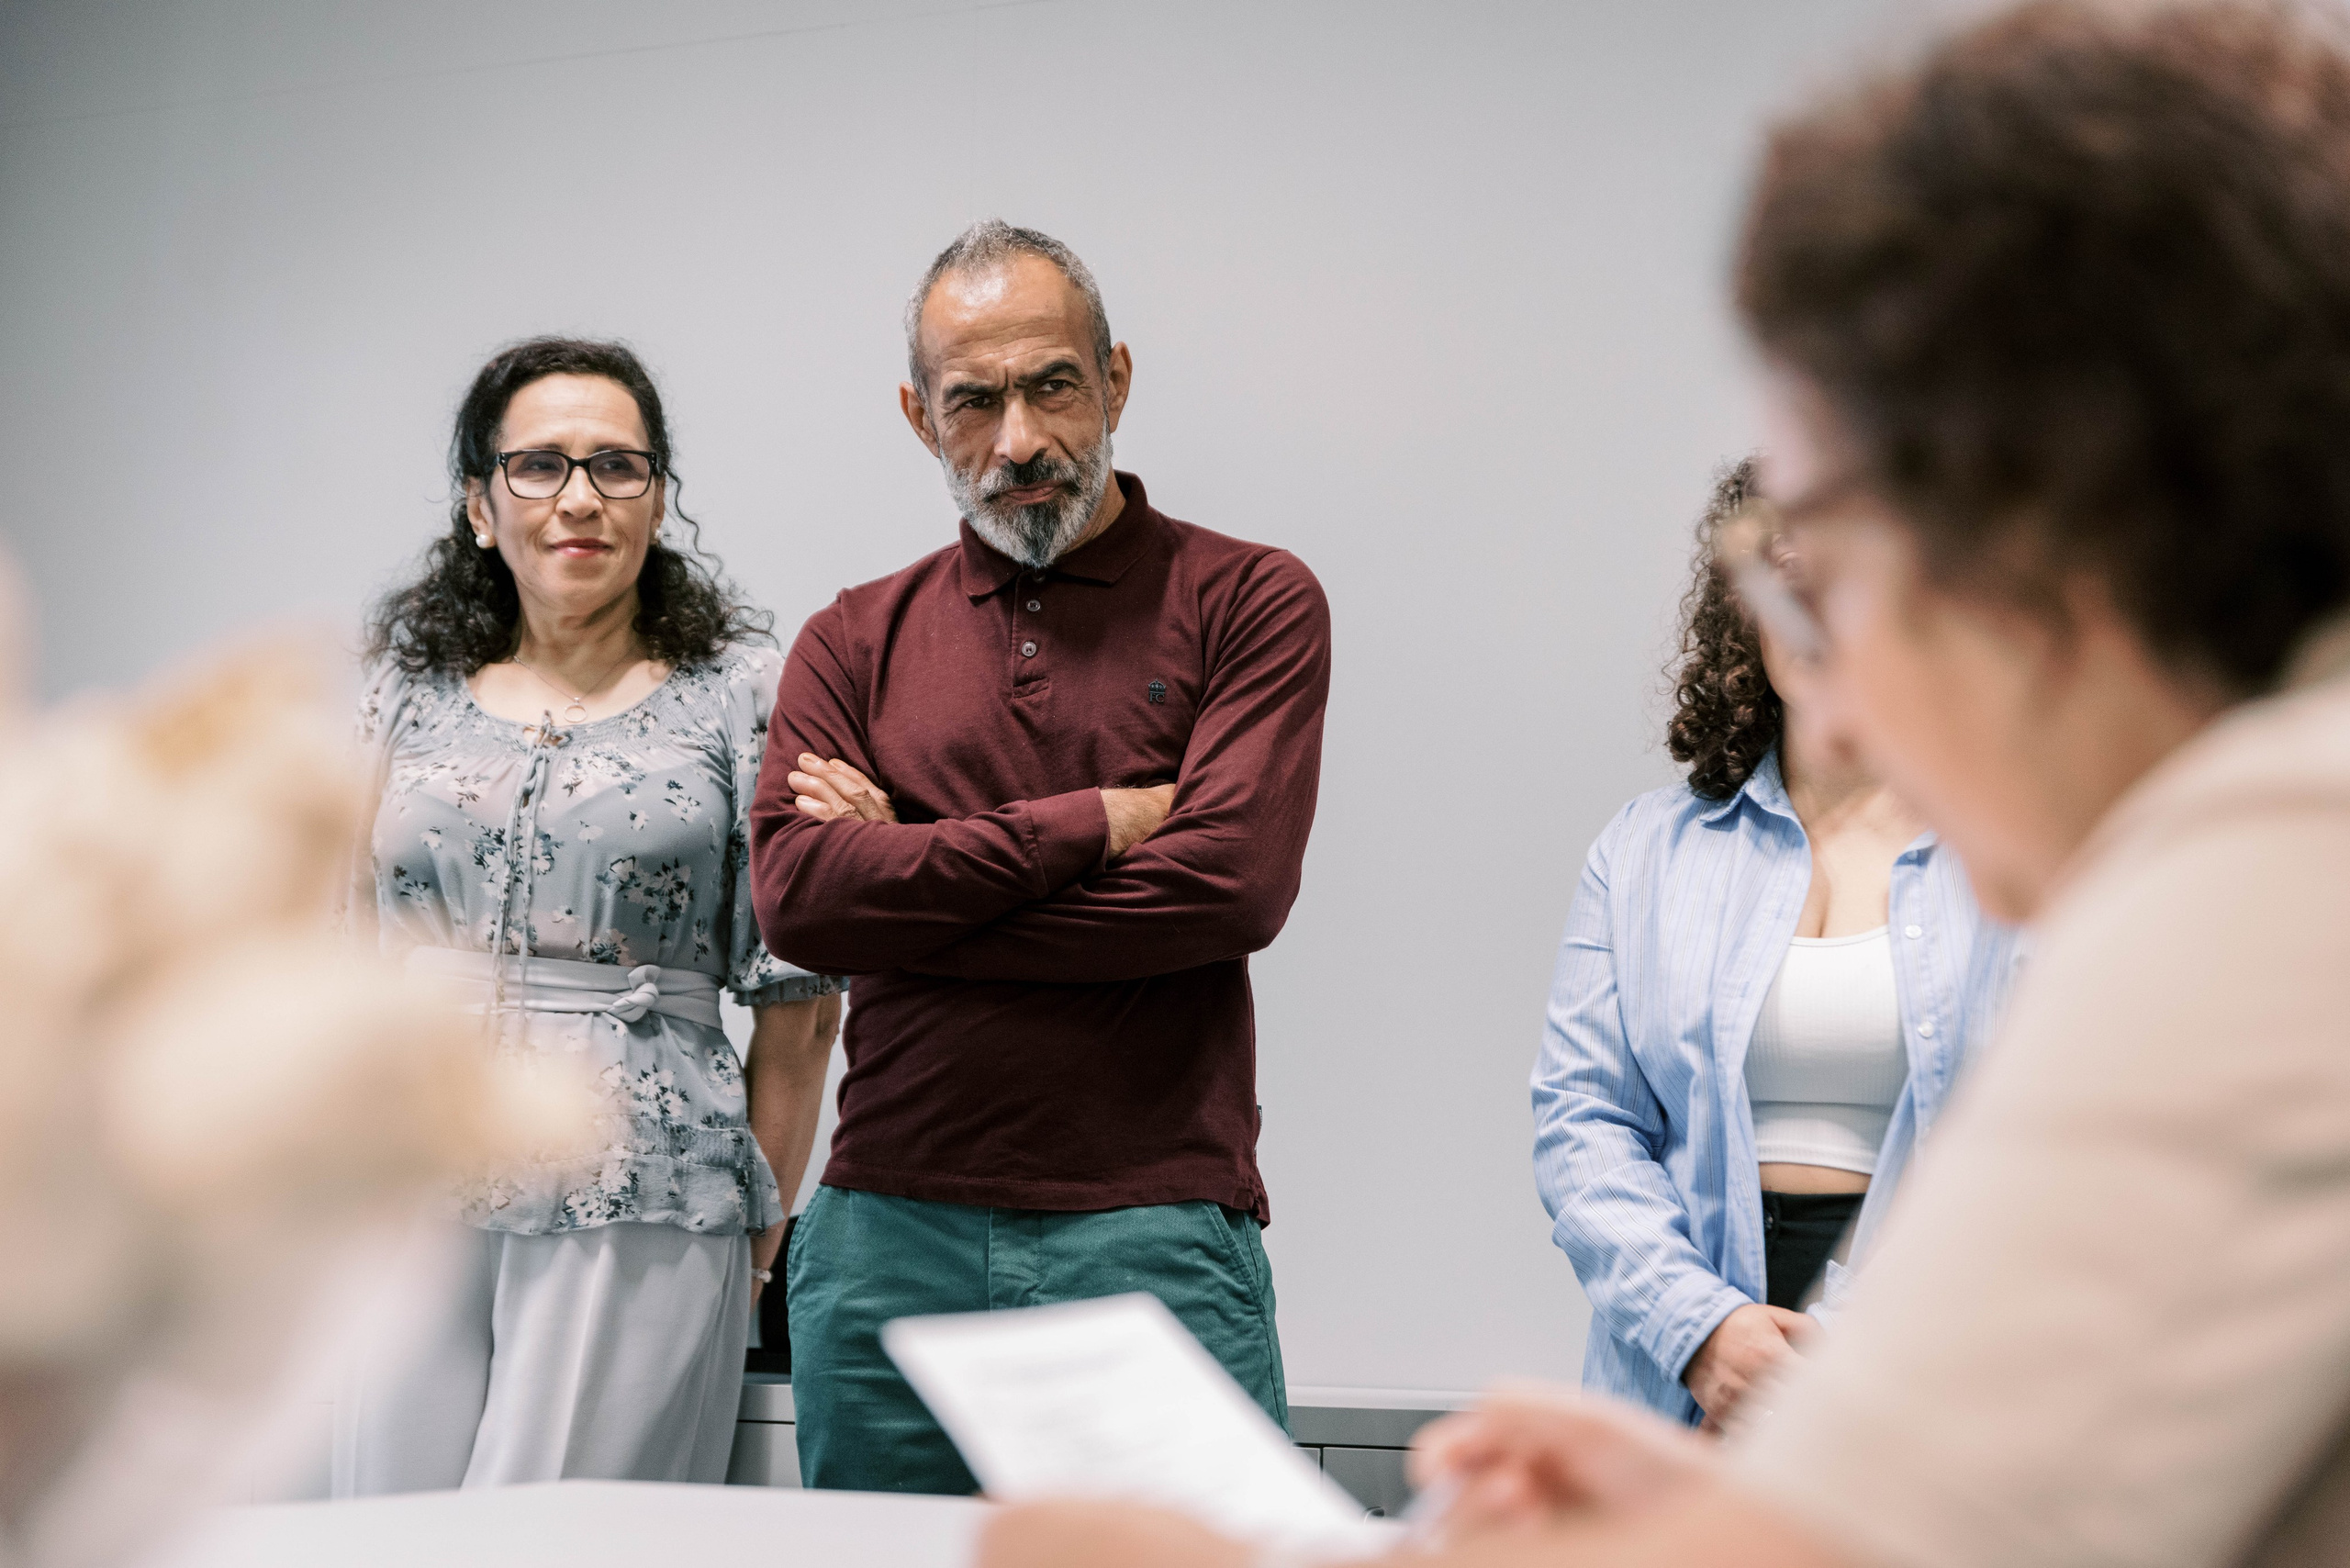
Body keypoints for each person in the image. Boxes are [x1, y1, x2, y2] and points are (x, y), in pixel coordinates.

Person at [974, 2, 2350, 1563]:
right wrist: (1725, 1492)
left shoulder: (2280, 873)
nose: (1834, 672)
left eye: (1823, 558)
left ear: (2035, 528)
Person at [747, 220, 1330, 1495]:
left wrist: (906, 874)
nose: (1018, 440)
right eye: (974, 401)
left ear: (1115, 379)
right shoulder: (850, 639)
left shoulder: (1249, 599)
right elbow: (798, 904)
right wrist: (1083, 828)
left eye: (1052, 385)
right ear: (919, 415)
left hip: (1154, 1227)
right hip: (882, 1236)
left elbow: (1227, 888)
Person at [334, 336, 843, 1492]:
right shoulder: (399, 691)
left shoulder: (743, 693)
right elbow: (341, 953)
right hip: (402, 1170)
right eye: (539, 466)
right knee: (380, 1534)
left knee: (559, 1539)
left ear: (658, 499)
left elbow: (800, 1009)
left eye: (617, 465)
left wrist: (753, 1241)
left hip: (646, 1179)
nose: (579, 498)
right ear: (478, 503)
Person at [1535, 457, 2016, 1432]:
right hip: (1673, 1381)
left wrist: (1829, 1350)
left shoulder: (2012, 854)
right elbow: (1581, 1122)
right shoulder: (1641, 850)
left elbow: (2034, 1145)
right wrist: (1704, 1332)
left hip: (1924, 1380)